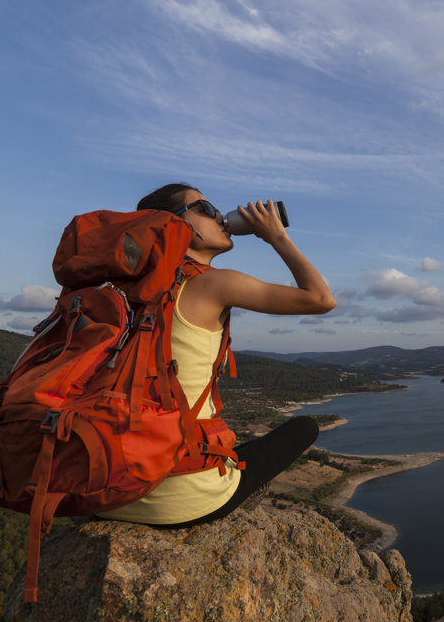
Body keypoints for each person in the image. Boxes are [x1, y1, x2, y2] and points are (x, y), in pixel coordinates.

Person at [96, 183, 336, 527]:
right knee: (304, 427)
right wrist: (276, 237)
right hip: (178, 502)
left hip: (104, 492)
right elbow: (321, 299)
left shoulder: (117, 292)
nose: (221, 218)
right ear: (174, 225)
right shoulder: (213, 284)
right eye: (205, 210)